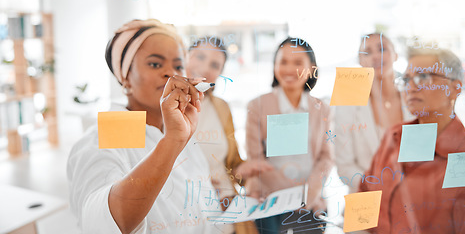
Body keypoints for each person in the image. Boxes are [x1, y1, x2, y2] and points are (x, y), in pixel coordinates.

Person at [67, 19, 221, 233]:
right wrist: (173, 142)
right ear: (126, 78)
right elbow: (103, 222)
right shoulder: (105, 137)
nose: (171, 73)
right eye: (155, 64)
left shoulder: (179, 131)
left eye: (178, 66)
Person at [359, 48, 465, 233]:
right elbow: (365, 192)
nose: (411, 87)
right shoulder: (394, 136)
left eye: (423, 77)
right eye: (406, 80)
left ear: (454, 88)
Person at [244, 37, 334, 234]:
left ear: (311, 68)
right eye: (283, 62)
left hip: (311, 199)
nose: (289, 69)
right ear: (274, 65)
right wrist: (290, 195)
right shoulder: (257, 107)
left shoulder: (322, 109)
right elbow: (255, 158)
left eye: (298, 63)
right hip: (269, 198)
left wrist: (309, 193)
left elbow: (326, 157)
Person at [186, 36, 268, 234]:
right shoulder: (163, 107)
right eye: (200, 57)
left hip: (227, 210)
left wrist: (249, 172)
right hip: (187, 215)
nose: (205, 68)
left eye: (214, 65)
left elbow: (232, 165)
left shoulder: (221, 108)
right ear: (185, 57)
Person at [335, 33, 415, 192]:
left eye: (382, 49)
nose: (376, 56)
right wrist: (376, 186)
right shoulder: (347, 103)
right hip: (366, 200)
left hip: (411, 197)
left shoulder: (413, 100)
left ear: (395, 55)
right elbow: (344, 167)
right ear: (360, 61)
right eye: (367, 52)